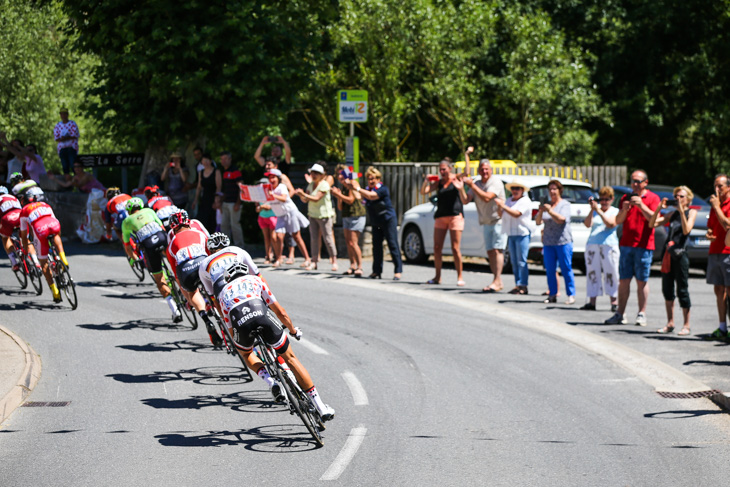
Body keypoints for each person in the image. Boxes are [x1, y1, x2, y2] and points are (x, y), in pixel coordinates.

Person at [216, 261, 335, 419]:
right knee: (290, 358)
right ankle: (321, 407)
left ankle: (270, 381)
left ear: (228, 278)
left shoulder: (223, 293)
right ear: (246, 272)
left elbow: (230, 328)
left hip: (240, 323)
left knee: (246, 353)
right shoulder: (256, 280)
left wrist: (243, 346)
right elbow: (280, 312)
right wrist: (292, 330)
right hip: (261, 315)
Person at [605, 170, 661, 325]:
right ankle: (620, 314)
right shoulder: (625, 197)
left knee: (642, 280)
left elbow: (653, 219)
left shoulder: (652, 198)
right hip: (626, 245)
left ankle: (641, 313)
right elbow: (618, 220)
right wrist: (624, 209)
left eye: (638, 181)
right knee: (624, 280)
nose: (635, 184)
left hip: (644, 245)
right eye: (633, 181)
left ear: (645, 182)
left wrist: (641, 205)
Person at [121, 197, 182, 323]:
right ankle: (184, 289)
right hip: (161, 237)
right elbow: (162, 227)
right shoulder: (149, 211)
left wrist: (135, 259)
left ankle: (175, 310)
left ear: (129, 210)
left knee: (159, 279)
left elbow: (127, 246)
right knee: (175, 264)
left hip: (148, 244)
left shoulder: (126, 221)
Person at [165, 211, 220, 345]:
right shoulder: (199, 233)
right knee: (216, 287)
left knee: (191, 291)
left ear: (173, 228)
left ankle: (206, 319)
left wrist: (186, 292)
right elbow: (211, 254)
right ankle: (220, 311)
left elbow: (176, 272)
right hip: (203, 265)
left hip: (187, 272)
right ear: (188, 222)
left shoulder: (171, 242)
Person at [649, 186, 697, 335]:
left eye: (681, 197)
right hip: (668, 254)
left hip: (681, 255)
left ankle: (686, 325)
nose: (678, 199)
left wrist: (682, 211)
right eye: (676, 197)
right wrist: (658, 208)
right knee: (667, 289)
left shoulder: (691, 212)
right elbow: (652, 224)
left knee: (682, 289)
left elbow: (686, 230)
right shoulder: (672, 214)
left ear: (688, 199)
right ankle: (670, 323)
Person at [461, 152, 507, 292]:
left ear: (491, 170)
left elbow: (487, 197)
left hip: (498, 220)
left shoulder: (495, 182)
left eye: (487, 169)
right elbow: (465, 200)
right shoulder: (477, 183)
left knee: (497, 250)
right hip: (486, 222)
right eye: (482, 169)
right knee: (490, 252)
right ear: (479, 171)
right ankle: (496, 280)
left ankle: (497, 280)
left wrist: (472, 186)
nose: (484, 171)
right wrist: (460, 188)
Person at [421, 157, 467, 286]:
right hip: (441, 216)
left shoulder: (456, 179)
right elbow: (423, 191)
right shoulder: (439, 183)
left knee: (455, 248)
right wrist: (426, 181)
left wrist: (467, 155)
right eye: (440, 169)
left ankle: (460, 276)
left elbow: (467, 171)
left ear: (450, 168)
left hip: (455, 216)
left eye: (444, 169)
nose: (442, 172)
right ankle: (437, 277)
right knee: (437, 248)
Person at [19, 194, 68, 303]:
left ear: (23, 202)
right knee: (56, 235)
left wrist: (26, 249)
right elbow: (55, 221)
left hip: (40, 228)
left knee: (43, 262)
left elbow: (24, 234)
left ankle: (55, 292)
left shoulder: (23, 211)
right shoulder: (44, 204)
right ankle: (63, 258)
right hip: (54, 224)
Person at [535, 179, 576, 304]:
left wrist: (550, 211)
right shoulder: (548, 205)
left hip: (563, 241)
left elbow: (561, 220)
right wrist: (541, 211)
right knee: (550, 269)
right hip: (548, 242)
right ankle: (552, 294)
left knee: (566, 268)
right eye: (550, 189)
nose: (552, 192)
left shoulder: (564, 205)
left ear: (559, 191)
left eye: (554, 189)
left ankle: (571, 294)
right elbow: (537, 222)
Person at [358, 167, 402, 280]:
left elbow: (371, 196)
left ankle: (398, 270)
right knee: (376, 247)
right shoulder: (368, 190)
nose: (371, 181)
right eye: (369, 179)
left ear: (378, 178)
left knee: (392, 244)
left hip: (388, 220)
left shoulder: (382, 189)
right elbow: (360, 197)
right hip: (376, 221)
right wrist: (350, 186)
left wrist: (357, 188)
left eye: (373, 179)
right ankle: (376, 271)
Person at [581, 187, 620, 311]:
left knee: (611, 273)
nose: (603, 202)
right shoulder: (595, 211)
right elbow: (587, 224)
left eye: (606, 199)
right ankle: (592, 301)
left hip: (609, 245)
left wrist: (599, 210)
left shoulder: (615, 211)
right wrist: (592, 210)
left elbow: (610, 224)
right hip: (593, 244)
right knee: (593, 273)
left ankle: (614, 302)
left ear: (612, 199)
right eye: (601, 199)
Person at [296, 163, 337, 271]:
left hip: (324, 215)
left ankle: (334, 260)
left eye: (316, 173)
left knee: (328, 238)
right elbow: (305, 200)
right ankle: (314, 261)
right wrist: (301, 195)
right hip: (313, 214)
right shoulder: (310, 185)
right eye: (313, 173)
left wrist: (303, 195)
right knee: (314, 239)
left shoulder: (324, 185)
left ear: (321, 175)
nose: (314, 175)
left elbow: (316, 198)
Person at [266, 169, 311, 267]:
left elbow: (284, 198)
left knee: (296, 236)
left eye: (273, 177)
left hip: (290, 212)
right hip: (280, 215)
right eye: (270, 178)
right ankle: (278, 259)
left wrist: (273, 195)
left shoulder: (281, 187)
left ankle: (307, 259)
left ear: (278, 178)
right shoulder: (268, 189)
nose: (271, 180)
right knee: (278, 236)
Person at [494, 180, 533, 294]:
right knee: (514, 262)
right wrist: (499, 207)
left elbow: (516, 214)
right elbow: (501, 214)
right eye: (513, 188)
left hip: (522, 233)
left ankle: (523, 285)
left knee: (522, 261)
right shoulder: (509, 201)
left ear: (522, 190)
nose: (515, 191)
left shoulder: (525, 201)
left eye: (518, 188)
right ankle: (518, 284)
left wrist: (503, 206)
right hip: (511, 233)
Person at [705, 174, 730, 340]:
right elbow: (711, 226)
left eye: (720, 186)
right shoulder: (715, 204)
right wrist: (709, 234)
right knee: (718, 290)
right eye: (715, 185)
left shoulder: (722, 204)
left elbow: (728, 224)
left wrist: (717, 206)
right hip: (715, 251)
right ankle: (722, 328)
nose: (716, 189)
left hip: (728, 252)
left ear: (728, 187)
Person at [331, 164, 366, 277]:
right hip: (347, 215)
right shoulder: (343, 187)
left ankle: (359, 267)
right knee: (348, 242)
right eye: (338, 174)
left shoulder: (352, 183)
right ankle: (352, 265)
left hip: (356, 215)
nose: (340, 176)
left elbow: (351, 200)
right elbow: (340, 207)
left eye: (342, 173)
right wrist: (338, 196)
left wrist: (338, 195)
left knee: (353, 242)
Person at [218, 151, 244, 247]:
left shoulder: (235, 171)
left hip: (234, 203)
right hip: (225, 203)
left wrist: (238, 203)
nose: (223, 161)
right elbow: (225, 189)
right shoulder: (224, 171)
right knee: (224, 225)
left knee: (235, 226)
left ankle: (239, 246)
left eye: (225, 159)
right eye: (222, 159)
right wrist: (221, 202)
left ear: (230, 159)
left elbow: (242, 188)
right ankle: (225, 246)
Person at [191, 153, 221, 234]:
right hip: (204, 199)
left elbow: (218, 187)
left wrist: (217, 200)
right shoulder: (201, 172)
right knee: (202, 220)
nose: (205, 163)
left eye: (207, 161)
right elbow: (199, 187)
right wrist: (195, 200)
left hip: (213, 199)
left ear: (210, 161)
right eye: (203, 161)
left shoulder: (216, 171)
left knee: (212, 222)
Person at [255, 178, 277, 264]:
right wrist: (261, 207)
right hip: (262, 217)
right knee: (266, 238)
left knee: (274, 238)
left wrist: (264, 207)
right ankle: (268, 256)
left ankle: (276, 256)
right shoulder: (258, 196)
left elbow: (273, 206)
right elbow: (257, 209)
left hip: (272, 217)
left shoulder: (272, 193)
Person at [0, 186, 22, 270]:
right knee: (25, 237)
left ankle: (14, 262)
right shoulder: (13, 197)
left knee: (5, 237)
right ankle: (35, 261)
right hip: (20, 215)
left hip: (7, 218)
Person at [53, 108, 80, 175]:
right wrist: (66, 137)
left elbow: (75, 135)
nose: (63, 115)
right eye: (62, 114)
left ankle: (77, 181)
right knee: (65, 167)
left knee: (73, 166)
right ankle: (68, 183)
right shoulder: (58, 125)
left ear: (67, 115)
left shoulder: (72, 123)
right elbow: (57, 138)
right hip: (62, 148)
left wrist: (65, 138)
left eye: (65, 114)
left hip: (71, 148)